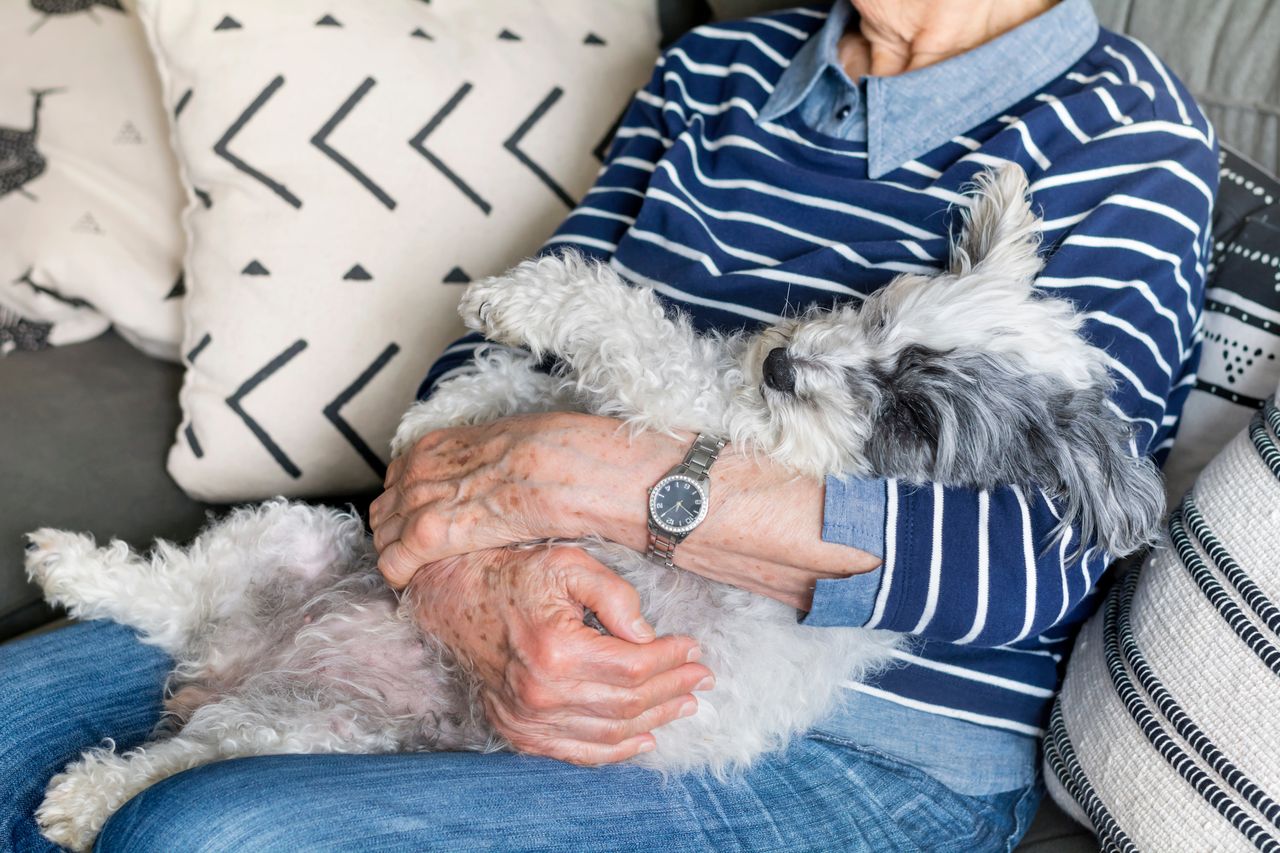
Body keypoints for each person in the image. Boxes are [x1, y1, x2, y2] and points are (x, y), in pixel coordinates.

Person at [1, 0, 1217, 850]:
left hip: (847, 746)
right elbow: (496, 350)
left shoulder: (1122, 133)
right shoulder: (715, 72)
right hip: (441, 605)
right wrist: (466, 580)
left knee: (201, 833)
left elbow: (1052, 554)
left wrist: (617, 485)